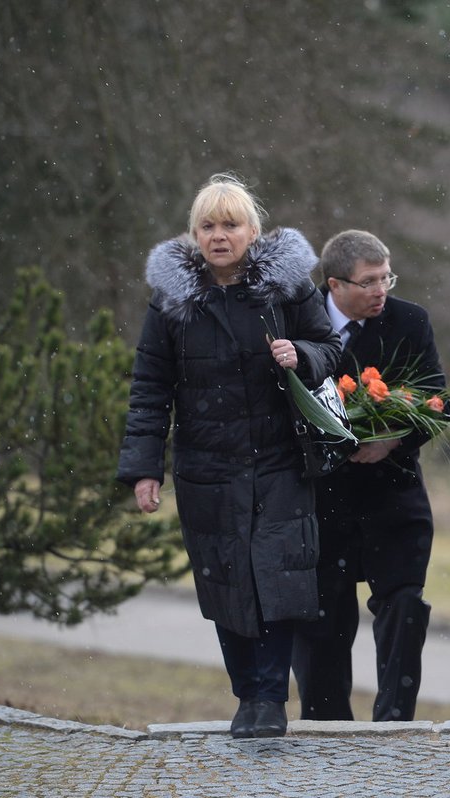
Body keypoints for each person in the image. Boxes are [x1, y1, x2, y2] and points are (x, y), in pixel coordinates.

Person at [116, 174, 341, 739]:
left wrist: (303, 355)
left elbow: (333, 349)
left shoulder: (289, 289)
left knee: (276, 579)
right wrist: (145, 468)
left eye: (231, 225)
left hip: (281, 462)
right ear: (194, 236)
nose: (220, 236)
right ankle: (248, 693)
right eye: (208, 226)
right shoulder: (171, 303)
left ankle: (269, 697)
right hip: (207, 470)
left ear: (253, 231)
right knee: (227, 583)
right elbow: (150, 386)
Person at [291, 229, 447, 722]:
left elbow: (440, 402)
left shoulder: (409, 321)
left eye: (387, 277)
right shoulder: (297, 320)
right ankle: (326, 725)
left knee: (404, 604)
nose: (382, 290)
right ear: (335, 285)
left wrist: (393, 439)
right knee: (322, 617)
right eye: (369, 281)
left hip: (393, 493)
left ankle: (394, 723)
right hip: (322, 497)